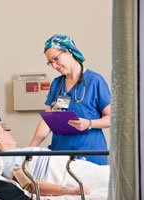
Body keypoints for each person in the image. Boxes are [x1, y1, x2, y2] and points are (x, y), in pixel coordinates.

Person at [29, 34, 111, 165]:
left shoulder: (95, 81)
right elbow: (47, 121)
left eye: (56, 59)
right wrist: (29, 150)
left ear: (69, 52)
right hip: (60, 155)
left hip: (89, 153)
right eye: (50, 62)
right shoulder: (56, 84)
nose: (54, 66)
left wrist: (89, 123)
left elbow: (112, 118)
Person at [0, 121, 109, 196]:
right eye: (4, 130)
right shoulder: (6, 160)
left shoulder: (17, 153)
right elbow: (33, 186)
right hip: (70, 176)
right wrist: (72, 190)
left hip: (76, 168)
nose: (9, 132)